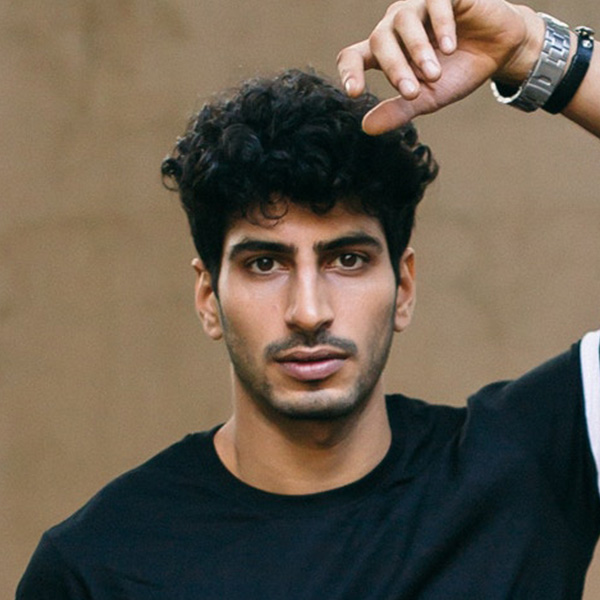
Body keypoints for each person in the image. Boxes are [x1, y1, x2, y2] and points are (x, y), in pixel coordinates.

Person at [16, 0, 600, 598]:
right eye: (264, 264)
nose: (309, 311)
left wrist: (532, 50)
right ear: (208, 297)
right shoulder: (98, 566)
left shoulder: (525, 467)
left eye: (347, 259)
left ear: (403, 286)